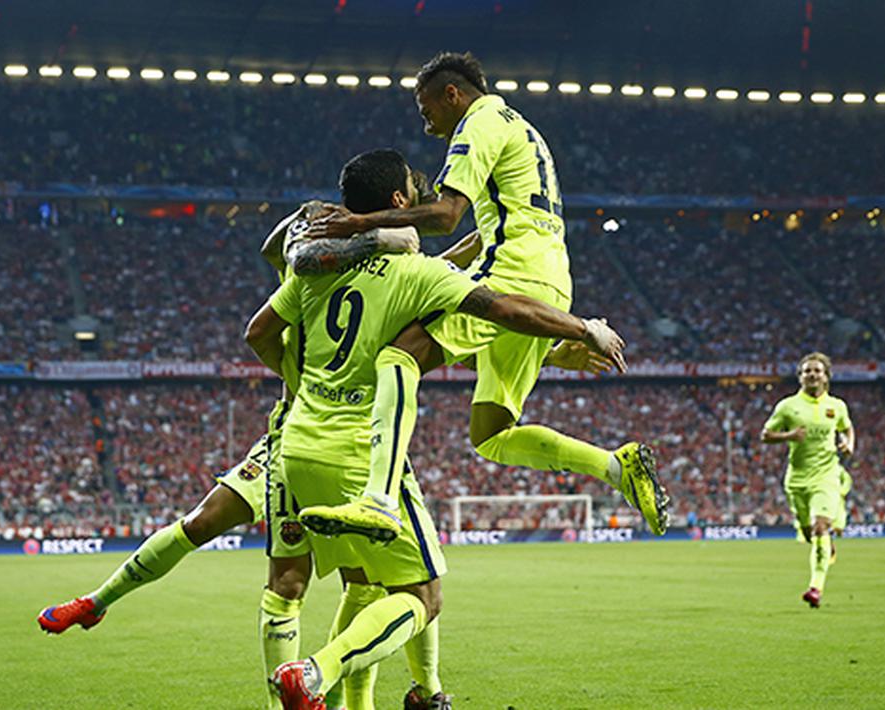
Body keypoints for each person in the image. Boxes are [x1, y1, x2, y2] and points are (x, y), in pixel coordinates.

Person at [244, 148, 626, 710]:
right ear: (400, 202)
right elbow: (504, 311)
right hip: (360, 451)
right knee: (422, 595)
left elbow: (258, 330)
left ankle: (402, 697)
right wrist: (582, 328)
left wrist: (302, 381)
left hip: (298, 446)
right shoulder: (421, 274)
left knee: (364, 585)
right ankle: (315, 674)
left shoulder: (318, 270)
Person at [36, 202, 422, 710]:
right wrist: (310, 220)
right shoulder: (320, 268)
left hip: (345, 441)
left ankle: (355, 694)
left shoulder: (387, 279)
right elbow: (272, 258)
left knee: (344, 582)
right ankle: (96, 602)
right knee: (206, 522)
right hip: (289, 435)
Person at [300, 51, 668, 543]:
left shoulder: (479, 122)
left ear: (452, 94)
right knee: (492, 435)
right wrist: (439, 267)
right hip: (549, 272)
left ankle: (380, 500)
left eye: (425, 104)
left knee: (398, 355)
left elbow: (447, 213)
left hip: (514, 270)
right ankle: (617, 468)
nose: (423, 116)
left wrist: (361, 223)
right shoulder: (521, 128)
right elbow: (482, 230)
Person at [761, 352, 855, 609]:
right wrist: (790, 435)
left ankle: (815, 588)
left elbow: (847, 427)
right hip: (797, 479)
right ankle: (826, 548)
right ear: (800, 377)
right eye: (807, 371)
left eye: (817, 371)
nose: (812, 374)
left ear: (826, 377)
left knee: (820, 527)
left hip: (826, 475)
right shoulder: (788, 406)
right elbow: (765, 435)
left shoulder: (836, 406)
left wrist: (848, 443)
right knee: (807, 533)